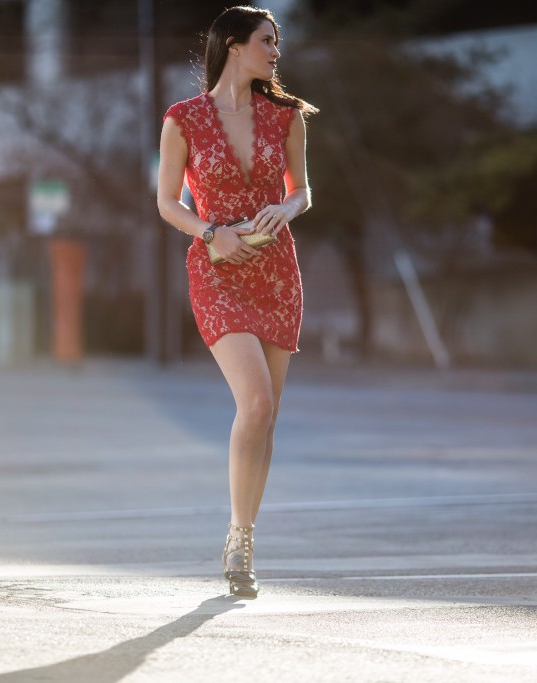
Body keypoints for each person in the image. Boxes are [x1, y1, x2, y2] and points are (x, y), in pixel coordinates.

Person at [156, 5, 317, 599]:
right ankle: (239, 540)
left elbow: (303, 190)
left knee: (267, 413)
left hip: (277, 270)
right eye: (266, 41)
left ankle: (242, 533)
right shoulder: (183, 119)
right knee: (253, 402)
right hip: (217, 268)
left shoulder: (288, 116)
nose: (276, 52)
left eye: (277, 43)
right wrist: (209, 232)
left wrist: (287, 206)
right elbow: (167, 202)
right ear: (233, 44)